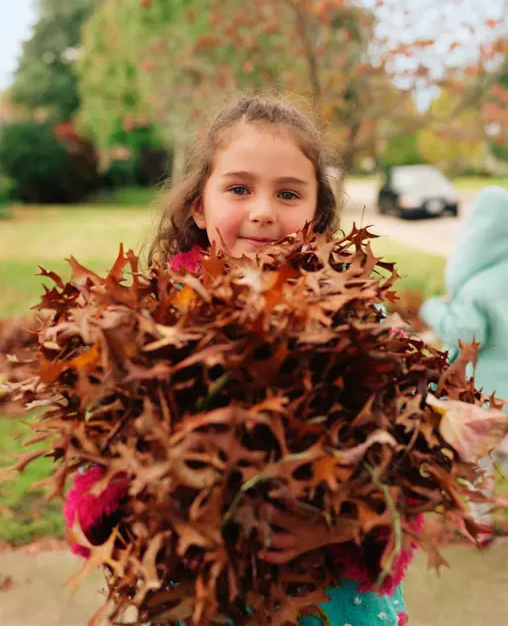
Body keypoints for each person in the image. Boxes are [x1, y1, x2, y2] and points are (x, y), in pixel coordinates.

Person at [64, 95, 418, 626]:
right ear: (199, 207)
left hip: (335, 604)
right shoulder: (146, 327)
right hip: (206, 604)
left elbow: (414, 469)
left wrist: (343, 527)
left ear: (318, 213)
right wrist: (150, 481)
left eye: (289, 193)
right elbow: (90, 505)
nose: (263, 211)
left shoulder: (364, 320)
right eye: (238, 188)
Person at [420, 185, 508, 544]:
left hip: (486, 394)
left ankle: (479, 524)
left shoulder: (477, 288)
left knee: (480, 462)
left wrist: (434, 307)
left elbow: (466, 334)